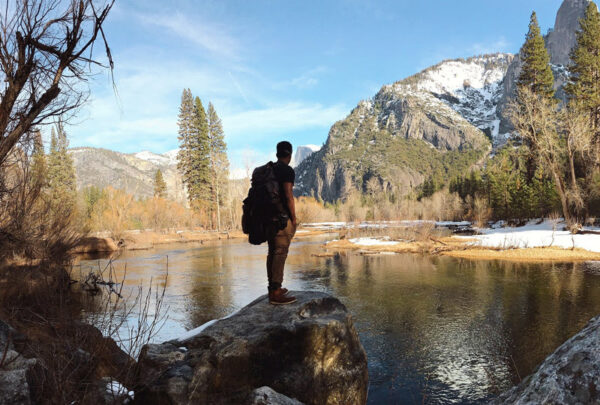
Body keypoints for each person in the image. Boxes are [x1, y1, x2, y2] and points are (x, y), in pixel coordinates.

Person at [267, 141, 297, 305]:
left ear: (277, 153)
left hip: (266, 219)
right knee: (280, 252)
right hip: (281, 219)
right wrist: (293, 218)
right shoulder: (286, 170)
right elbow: (288, 195)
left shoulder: (268, 169)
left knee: (272, 252)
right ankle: (276, 293)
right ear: (289, 154)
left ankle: (272, 288)